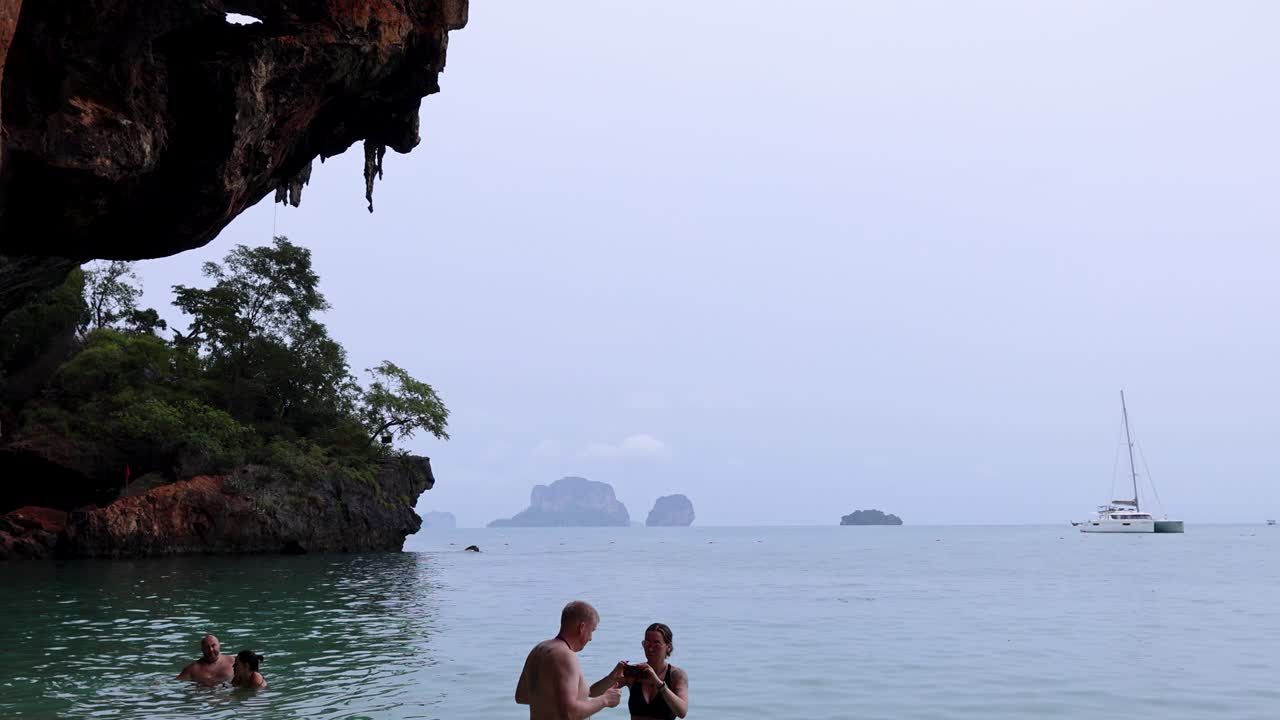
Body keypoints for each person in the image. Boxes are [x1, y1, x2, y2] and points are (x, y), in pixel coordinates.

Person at [515, 600, 621, 719]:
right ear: (582, 627)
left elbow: (521, 696)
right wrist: (604, 700)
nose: (591, 638)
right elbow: (569, 713)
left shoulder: (539, 650)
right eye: (592, 631)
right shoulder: (566, 656)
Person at [591, 623, 689, 719]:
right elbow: (593, 693)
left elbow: (682, 712)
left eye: (656, 643)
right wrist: (611, 676)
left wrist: (658, 683)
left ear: (668, 647)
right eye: (647, 643)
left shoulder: (676, 675)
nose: (650, 648)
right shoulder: (634, 673)